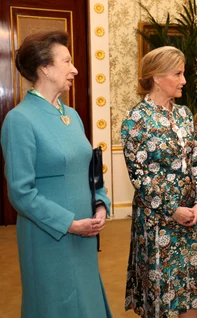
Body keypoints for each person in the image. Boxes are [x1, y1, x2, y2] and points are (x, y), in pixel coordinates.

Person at [1, 31, 112, 317]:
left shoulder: (71, 115)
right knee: (56, 303)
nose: (74, 69)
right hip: (48, 236)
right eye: (67, 61)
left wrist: (100, 203)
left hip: (84, 233)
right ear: (45, 68)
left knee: (86, 301)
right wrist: (69, 224)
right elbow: (20, 193)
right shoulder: (20, 120)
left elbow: (91, 169)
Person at [121, 46, 197, 318]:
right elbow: (139, 176)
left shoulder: (184, 114)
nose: (184, 80)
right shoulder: (137, 119)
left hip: (190, 217)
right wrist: (172, 208)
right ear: (158, 77)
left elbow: (195, 161)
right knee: (161, 292)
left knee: (190, 288)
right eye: (178, 73)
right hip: (157, 220)